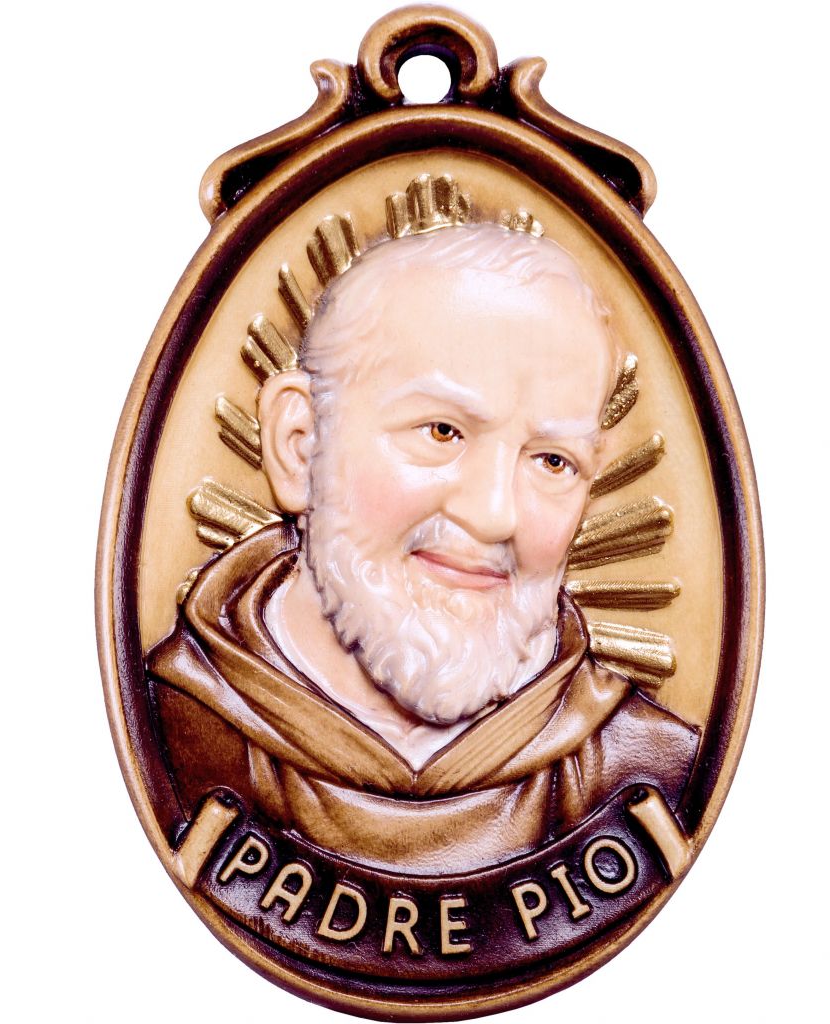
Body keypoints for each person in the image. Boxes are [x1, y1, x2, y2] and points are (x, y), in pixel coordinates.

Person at [147, 223, 698, 875]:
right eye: (442, 431)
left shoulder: (649, 764)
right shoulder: (167, 731)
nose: (495, 514)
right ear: (301, 444)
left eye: (553, 460)